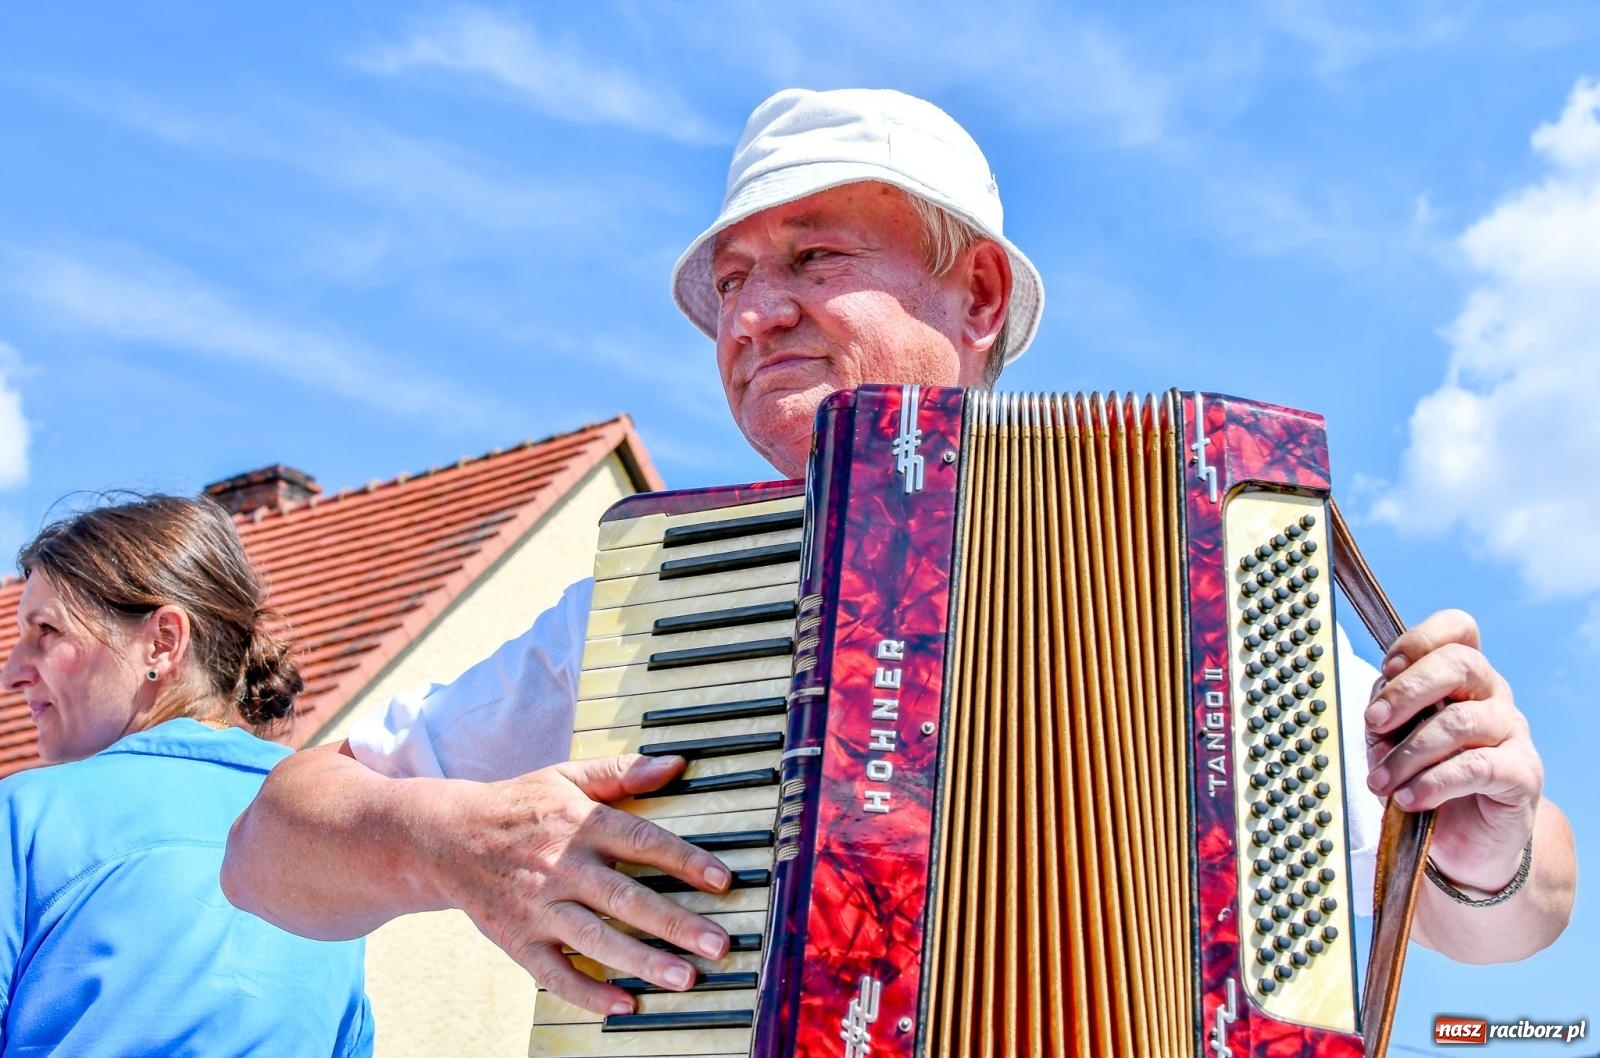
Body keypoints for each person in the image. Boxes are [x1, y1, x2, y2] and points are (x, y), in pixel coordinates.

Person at [222, 88, 1576, 1016]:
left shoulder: (1206, 568)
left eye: (811, 255)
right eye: (732, 281)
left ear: (976, 293)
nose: (756, 313)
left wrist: (1492, 834)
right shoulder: (659, 609)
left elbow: (1507, 919)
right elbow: (270, 846)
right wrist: (443, 839)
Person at [0, 495, 373, 1055]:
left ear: (163, 641)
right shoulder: (335, 820)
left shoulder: (27, 816)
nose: (12, 673)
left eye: (46, 631)